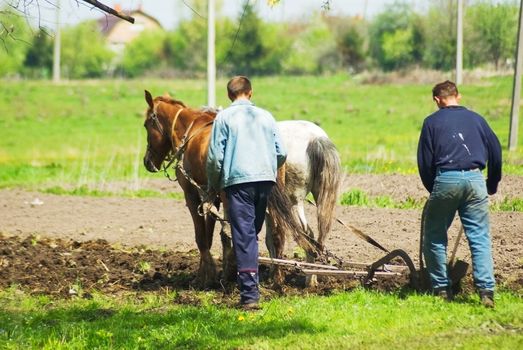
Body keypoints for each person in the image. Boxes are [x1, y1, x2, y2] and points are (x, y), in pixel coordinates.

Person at [417, 80, 502, 307]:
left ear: (437, 100)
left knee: (434, 236)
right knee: (480, 238)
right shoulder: (478, 119)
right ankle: (486, 292)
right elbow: (496, 152)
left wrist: (434, 188)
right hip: (475, 180)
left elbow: (424, 163)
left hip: (446, 179)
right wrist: (491, 184)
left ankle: (442, 290)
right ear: (458, 96)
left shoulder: (431, 123)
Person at [206, 76, 287, 310]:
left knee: (244, 237)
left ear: (230, 95)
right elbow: (281, 152)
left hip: (238, 183)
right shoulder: (266, 116)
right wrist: (268, 167)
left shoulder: (224, 118)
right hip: (265, 181)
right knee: (252, 232)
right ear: (250, 93)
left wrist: (213, 184)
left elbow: (214, 158)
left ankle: (250, 296)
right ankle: (251, 283)